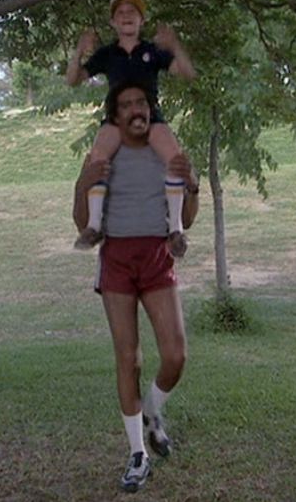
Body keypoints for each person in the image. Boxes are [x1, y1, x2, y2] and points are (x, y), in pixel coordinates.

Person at [73, 80, 200, 493]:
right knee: (128, 359)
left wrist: (193, 183)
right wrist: (82, 182)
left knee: (176, 355)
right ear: (115, 115)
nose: (135, 109)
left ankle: (152, 410)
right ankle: (137, 454)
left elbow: (188, 217)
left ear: (150, 109)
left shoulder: (166, 150)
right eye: (126, 104)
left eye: (141, 102)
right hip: (117, 259)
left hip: (157, 256)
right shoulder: (103, 154)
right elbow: (81, 221)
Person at [67, 0, 196, 257]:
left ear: (142, 20)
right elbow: (73, 79)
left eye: (132, 12)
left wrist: (174, 45)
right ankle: (93, 225)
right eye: (120, 13)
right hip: (117, 117)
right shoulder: (107, 54)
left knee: (175, 158)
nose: (126, 16)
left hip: (150, 116)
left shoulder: (152, 51)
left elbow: (188, 73)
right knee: (97, 157)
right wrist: (79, 50)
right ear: (113, 22)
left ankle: (176, 228)